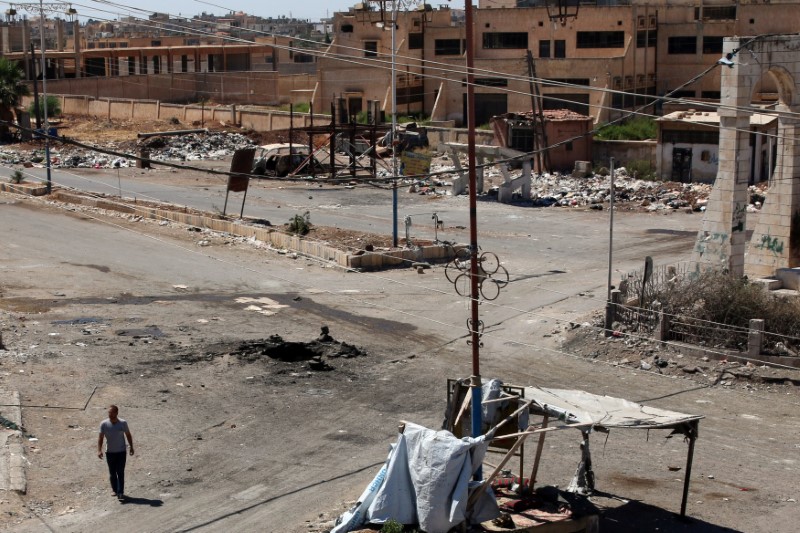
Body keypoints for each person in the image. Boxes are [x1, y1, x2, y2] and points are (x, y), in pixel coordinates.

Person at [97, 405, 134, 501]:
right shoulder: (104, 424)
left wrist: (131, 447)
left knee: (120, 472)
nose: (110, 414)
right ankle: (114, 489)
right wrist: (99, 450)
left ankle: (120, 492)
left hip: (121, 452)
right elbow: (101, 437)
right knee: (112, 473)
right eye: (109, 413)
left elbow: (128, 435)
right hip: (110, 452)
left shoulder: (123, 423)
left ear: (117, 413)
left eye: (112, 412)